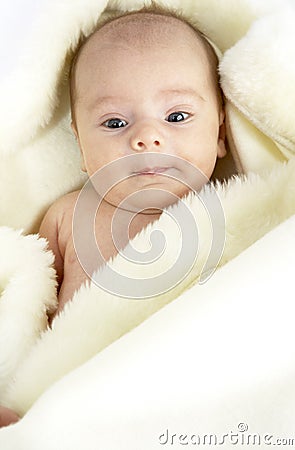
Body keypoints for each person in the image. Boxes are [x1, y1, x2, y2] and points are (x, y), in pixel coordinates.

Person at [0, 2, 227, 428]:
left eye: (176, 116)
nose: (147, 136)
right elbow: (23, 306)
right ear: (82, 147)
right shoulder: (69, 217)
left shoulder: (234, 211)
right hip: (78, 406)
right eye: (114, 122)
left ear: (221, 132)